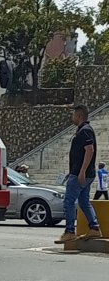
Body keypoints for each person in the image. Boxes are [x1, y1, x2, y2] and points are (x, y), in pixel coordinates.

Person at [55, 104, 103, 244]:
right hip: (84, 173)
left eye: (74, 114)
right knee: (83, 201)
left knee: (69, 202)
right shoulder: (84, 130)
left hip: (79, 174)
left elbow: (90, 150)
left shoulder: (85, 131)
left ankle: (69, 231)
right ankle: (94, 228)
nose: (72, 117)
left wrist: (81, 171)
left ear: (79, 115)